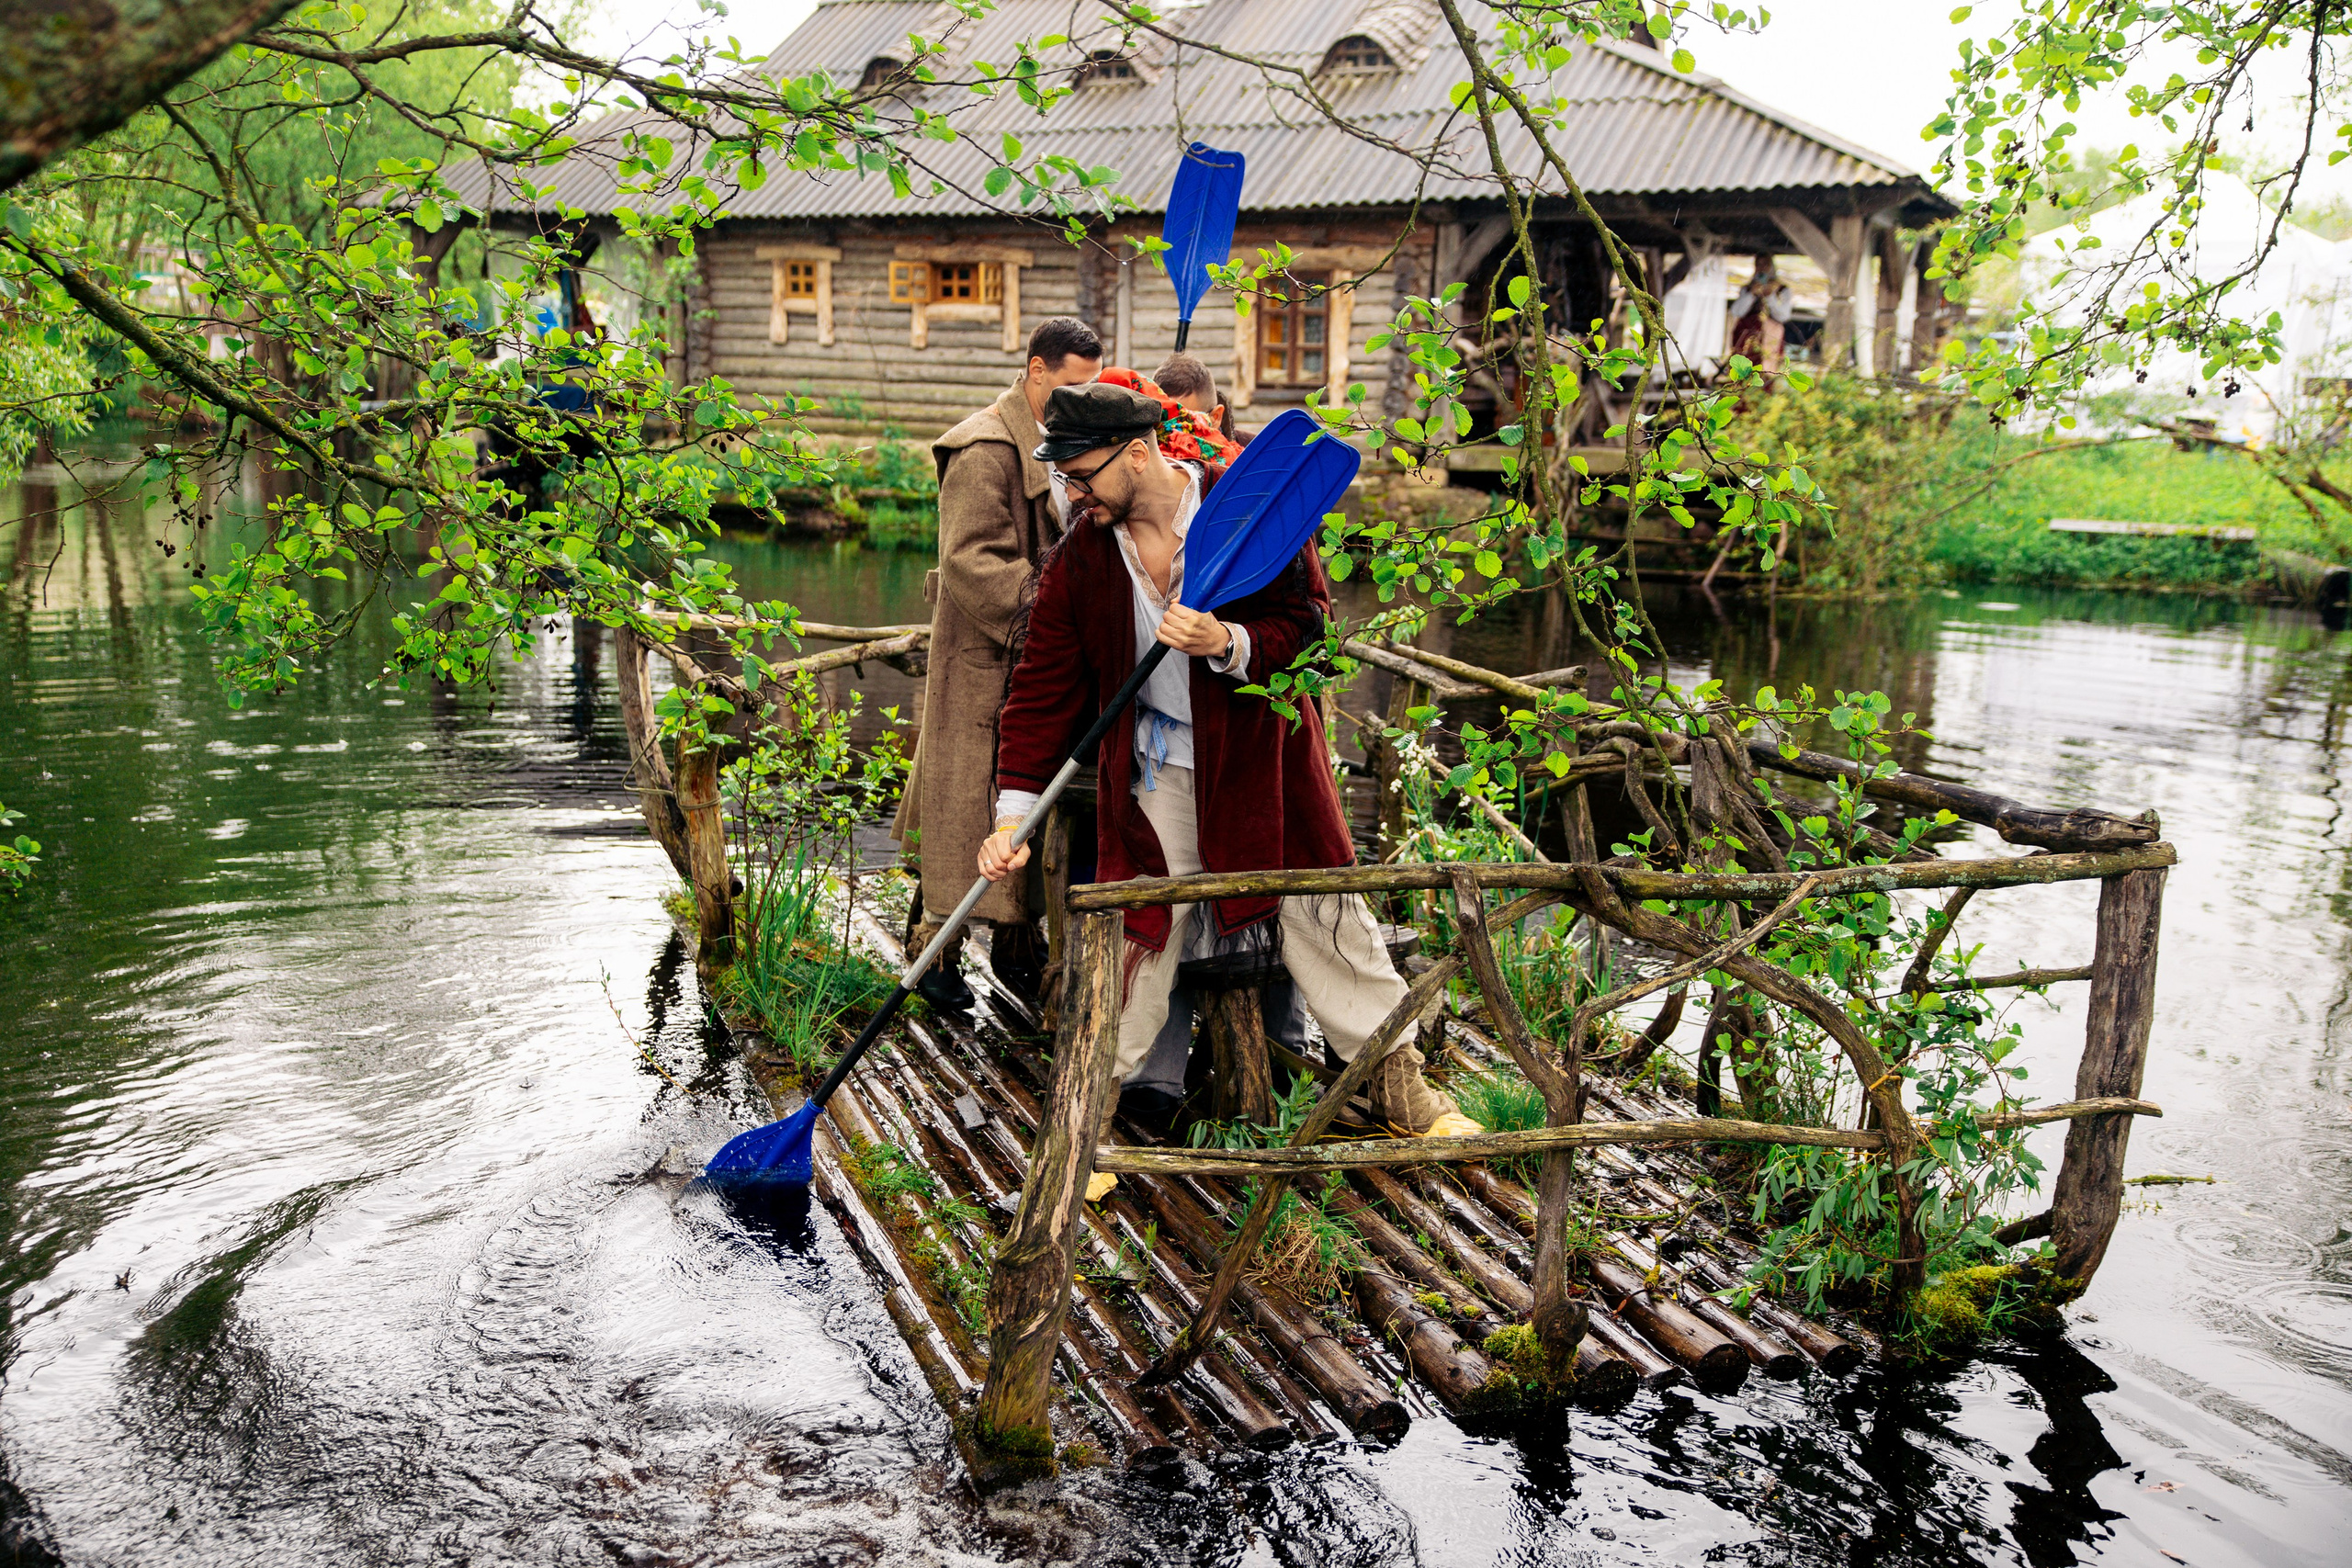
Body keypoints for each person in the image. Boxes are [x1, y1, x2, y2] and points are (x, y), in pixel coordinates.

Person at [977, 380, 1479, 1161]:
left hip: (1263, 761)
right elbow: (1041, 690)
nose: (1072, 494)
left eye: (1081, 475)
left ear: (1137, 453)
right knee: (1139, 930)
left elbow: (1311, 637)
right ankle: (1089, 1119)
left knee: (1326, 914)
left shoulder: (1246, 517)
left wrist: (1227, 643)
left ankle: (1397, 1084)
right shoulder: (1082, 557)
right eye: (1064, 478)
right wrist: (1012, 816)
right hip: (1157, 767)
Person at [892, 316, 1102, 1010]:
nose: (1081, 401)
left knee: (1025, 805)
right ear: (1036, 371)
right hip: (987, 658)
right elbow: (971, 560)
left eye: (1091, 388)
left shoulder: (1057, 438)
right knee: (964, 812)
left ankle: (1017, 943)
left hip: (1036, 662)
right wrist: (1059, 616)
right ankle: (933, 952)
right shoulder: (985, 446)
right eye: (1071, 386)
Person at [1148, 351, 1245, 447]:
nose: (1171, 436)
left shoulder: (1248, 454)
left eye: (1185, 426)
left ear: (1215, 417)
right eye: (1161, 425)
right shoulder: (1140, 452)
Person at [1729, 255, 1793, 372]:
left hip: (1770, 335)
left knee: (1766, 369)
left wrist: (1770, 297)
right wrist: (1752, 294)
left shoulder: (1782, 289)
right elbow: (1736, 311)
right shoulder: (1748, 288)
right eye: (1759, 265)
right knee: (1743, 370)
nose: (1762, 268)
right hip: (1746, 334)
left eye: (1766, 265)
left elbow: (1784, 316)